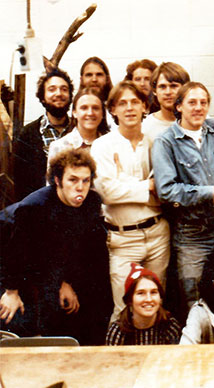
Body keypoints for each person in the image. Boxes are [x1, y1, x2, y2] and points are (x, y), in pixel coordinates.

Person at [0, 148, 111, 345]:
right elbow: (18, 253)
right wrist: (11, 292)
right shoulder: (34, 208)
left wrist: (66, 281)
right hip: (13, 264)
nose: (80, 187)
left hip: (51, 266)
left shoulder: (91, 203)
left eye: (85, 181)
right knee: (22, 315)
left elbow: (79, 249)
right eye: (73, 180)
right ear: (58, 181)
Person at [90, 81, 170, 323]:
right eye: (122, 103)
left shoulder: (158, 144)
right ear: (112, 109)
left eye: (135, 102)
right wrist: (146, 185)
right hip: (123, 241)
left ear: (145, 106)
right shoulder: (102, 145)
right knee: (123, 311)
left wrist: (122, 183)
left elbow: (164, 192)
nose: (129, 108)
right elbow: (106, 192)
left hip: (157, 235)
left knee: (155, 308)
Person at [153, 82, 214, 309]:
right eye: (192, 102)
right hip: (191, 236)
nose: (198, 108)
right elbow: (167, 190)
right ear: (178, 107)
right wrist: (210, 193)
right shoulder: (165, 142)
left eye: (203, 102)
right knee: (195, 299)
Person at [13, 68, 73, 201]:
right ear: (43, 97)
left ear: (70, 95)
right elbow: (20, 182)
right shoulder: (27, 134)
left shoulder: (79, 130)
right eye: (52, 89)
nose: (58, 93)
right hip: (40, 211)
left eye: (64, 89)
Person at [106, 263, 181, 345]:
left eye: (153, 292)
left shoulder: (170, 327)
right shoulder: (118, 331)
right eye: (141, 293)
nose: (149, 299)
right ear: (130, 300)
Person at [47, 87, 108, 162]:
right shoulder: (59, 147)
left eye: (95, 108)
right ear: (74, 112)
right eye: (84, 108)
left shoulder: (112, 145)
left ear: (102, 113)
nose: (90, 113)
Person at [143, 62, 190, 140]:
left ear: (184, 89)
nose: (168, 92)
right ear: (155, 91)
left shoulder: (200, 121)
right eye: (162, 87)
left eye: (173, 86)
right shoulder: (145, 127)